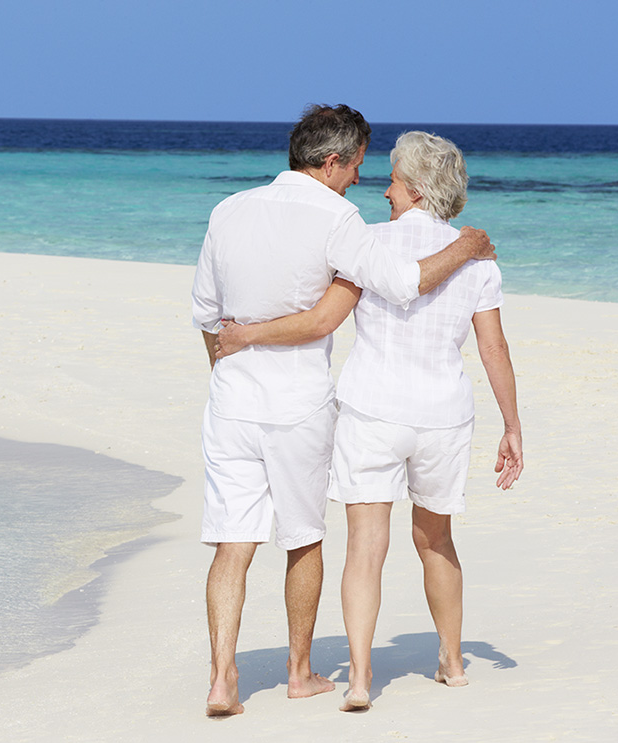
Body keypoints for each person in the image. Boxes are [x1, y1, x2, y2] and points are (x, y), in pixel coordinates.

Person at [192, 108, 496, 717]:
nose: (362, 178)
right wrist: (464, 245)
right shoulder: (339, 218)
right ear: (331, 161)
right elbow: (401, 283)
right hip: (299, 403)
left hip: (230, 401)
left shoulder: (228, 209)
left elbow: (206, 314)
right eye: (357, 164)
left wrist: (234, 357)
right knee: (303, 539)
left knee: (231, 541)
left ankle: (223, 679)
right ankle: (300, 674)